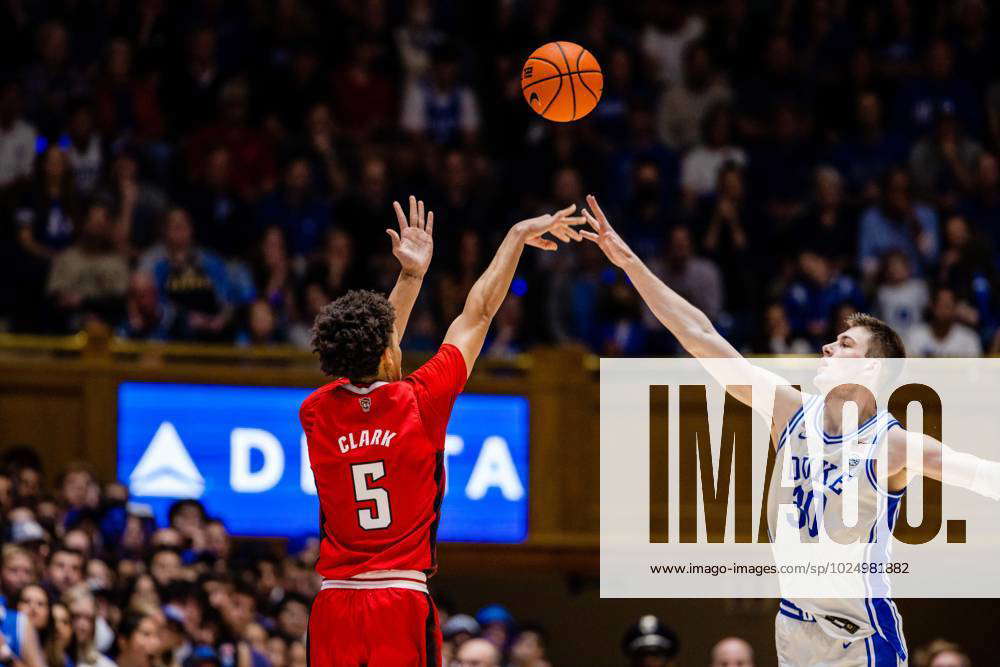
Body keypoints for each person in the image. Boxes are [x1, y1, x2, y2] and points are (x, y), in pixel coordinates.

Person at [580, 193, 1000, 666]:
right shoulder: (788, 410)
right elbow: (700, 336)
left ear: (871, 369)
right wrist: (630, 261)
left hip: (860, 634)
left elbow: (982, 475)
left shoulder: (893, 444)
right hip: (794, 626)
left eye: (843, 344)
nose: (825, 347)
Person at [302, 196, 579, 664]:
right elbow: (478, 313)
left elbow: (371, 356)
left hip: (333, 604)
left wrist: (410, 278)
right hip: (399, 598)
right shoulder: (418, 400)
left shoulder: (316, 412)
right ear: (388, 352)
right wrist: (514, 238)